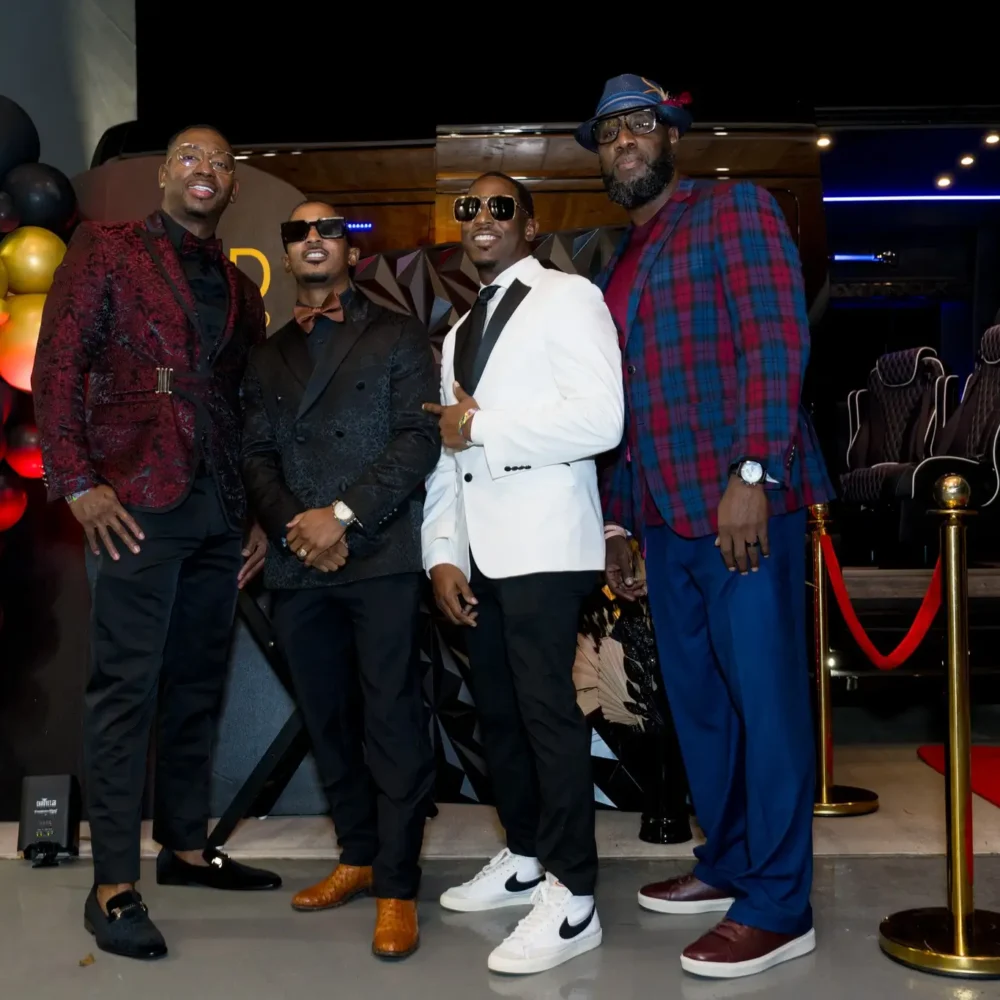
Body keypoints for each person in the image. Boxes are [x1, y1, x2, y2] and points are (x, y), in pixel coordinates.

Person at [576, 74, 835, 980]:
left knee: (765, 707)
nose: (624, 143)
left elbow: (774, 340)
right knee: (702, 712)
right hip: (661, 521)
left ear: (672, 136)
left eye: (640, 126)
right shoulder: (619, 262)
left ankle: (779, 904)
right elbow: (624, 408)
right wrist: (618, 523)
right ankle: (730, 865)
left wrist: (753, 472)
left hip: (739, 509)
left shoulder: (735, 209)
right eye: (608, 135)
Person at [32, 126, 276, 961]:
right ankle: (111, 886)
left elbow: (242, 408)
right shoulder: (106, 250)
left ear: (231, 187)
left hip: (216, 508)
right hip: (134, 499)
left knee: (197, 685)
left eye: (220, 161)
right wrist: (75, 479)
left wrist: (252, 515)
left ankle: (183, 846)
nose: (205, 169)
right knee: (124, 692)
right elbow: (57, 367)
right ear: (166, 175)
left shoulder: (244, 290)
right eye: (189, 158)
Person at [421, 171, 624, 975]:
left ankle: (575, 900)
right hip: (481, 555)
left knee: (546, 719)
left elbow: (601, 418)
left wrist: (486, 425)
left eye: (499, 207)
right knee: (499, 718)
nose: (481, 218)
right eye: (467, 207)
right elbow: (448, 449)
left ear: (530, 225)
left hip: (544, 548)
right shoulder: (458, 328)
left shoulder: (569, 298)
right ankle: (527, 856)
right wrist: (440, 550)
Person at [241, 201, 439, 959]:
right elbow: (255, 454)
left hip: (380, 554)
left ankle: (397, 884)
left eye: (328, 230)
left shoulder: (395, 333)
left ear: (350, 254)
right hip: (299, 563)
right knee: (327, 721)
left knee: (390, 720)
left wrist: (342, 517)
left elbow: (418, 438)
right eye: (298, 232)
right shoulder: (265, 355)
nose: (314, 239)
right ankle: (357, 856)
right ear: (286, 256)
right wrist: (299, 524)